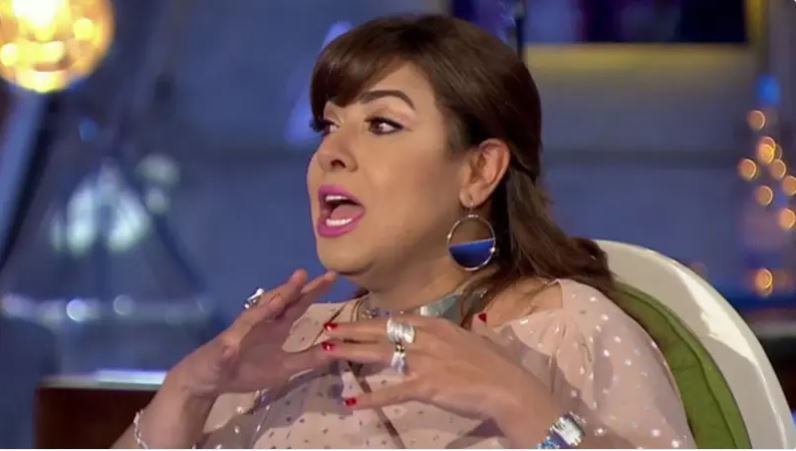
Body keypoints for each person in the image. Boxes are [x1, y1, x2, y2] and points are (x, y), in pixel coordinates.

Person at [113, 14, 694, 449]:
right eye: (328, 126)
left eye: (382, 124)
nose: (331, 154)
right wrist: (188, 392)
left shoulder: (570, 332)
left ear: (479, 171)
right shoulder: (287, 348)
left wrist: (518, 403)